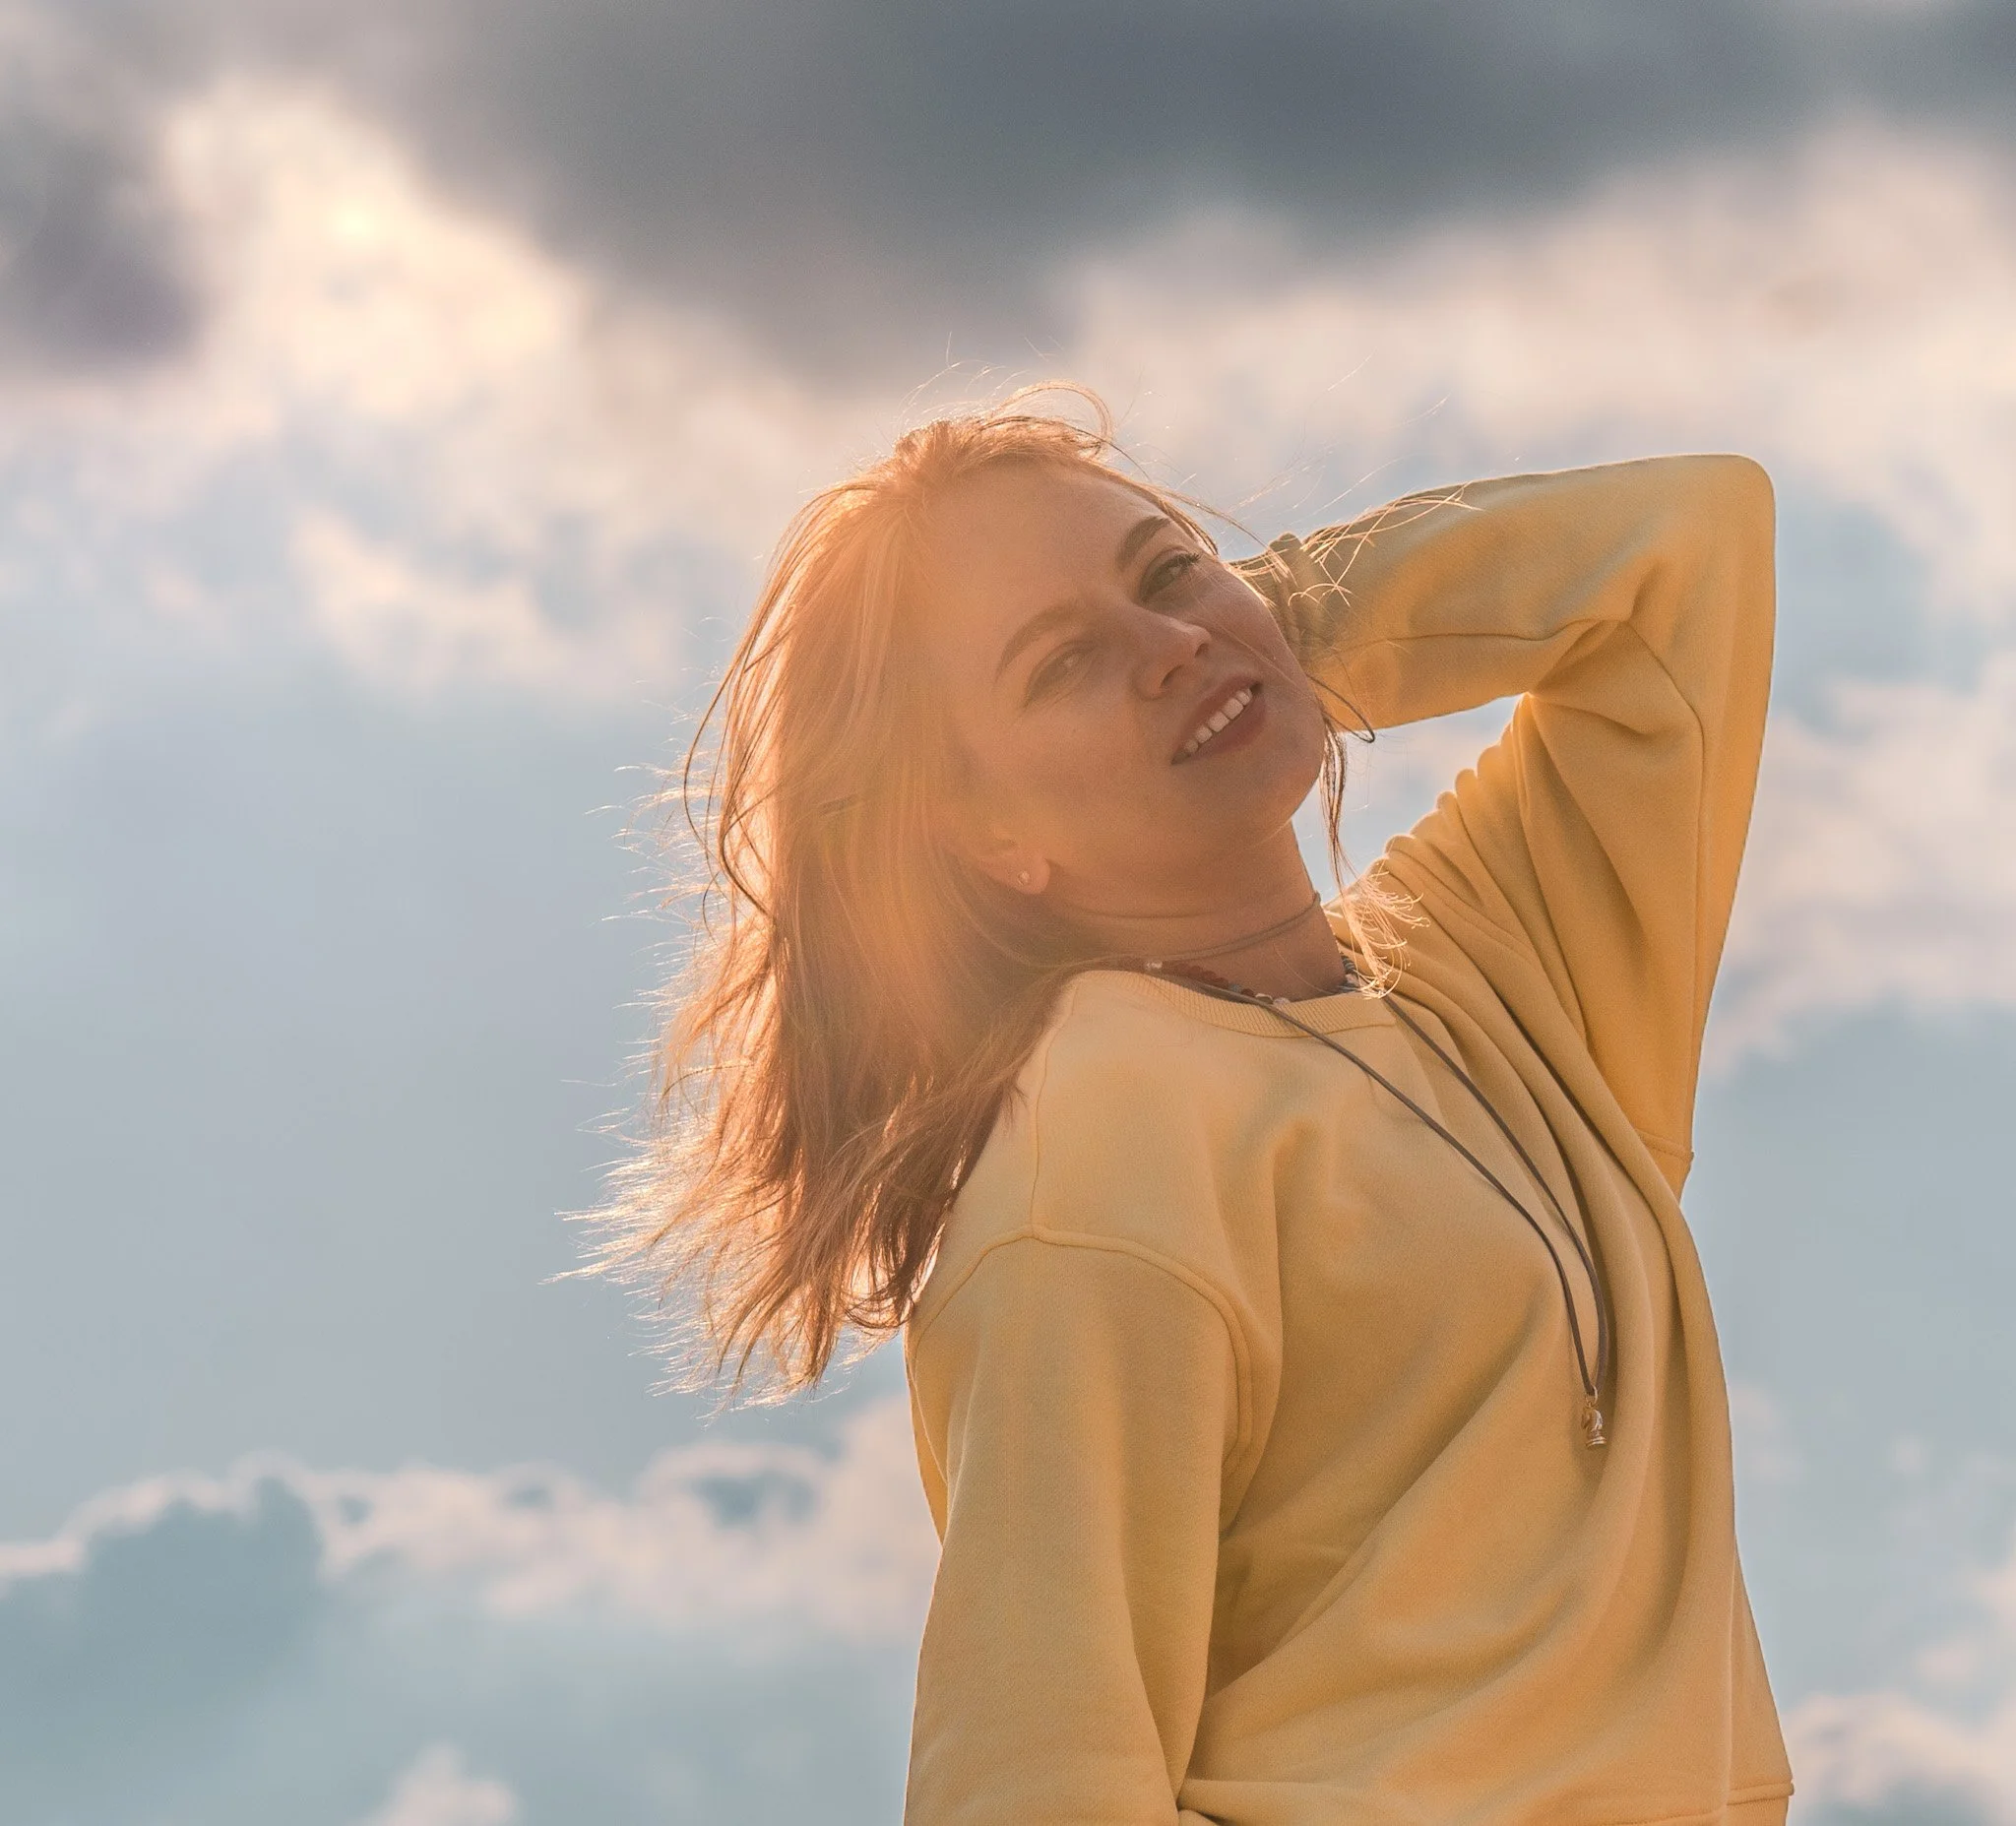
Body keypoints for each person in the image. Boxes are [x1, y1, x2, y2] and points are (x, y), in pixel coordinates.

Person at [599, 388, 1795, 1823]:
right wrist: (1212, 644)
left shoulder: (1486, 967)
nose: (1165, 644)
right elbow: (1035, 1773)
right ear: (987, 834)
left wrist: (1267, 621)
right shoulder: (1097, 1140)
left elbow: (1687, 547)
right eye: (1062, 665)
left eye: (1168, 570)